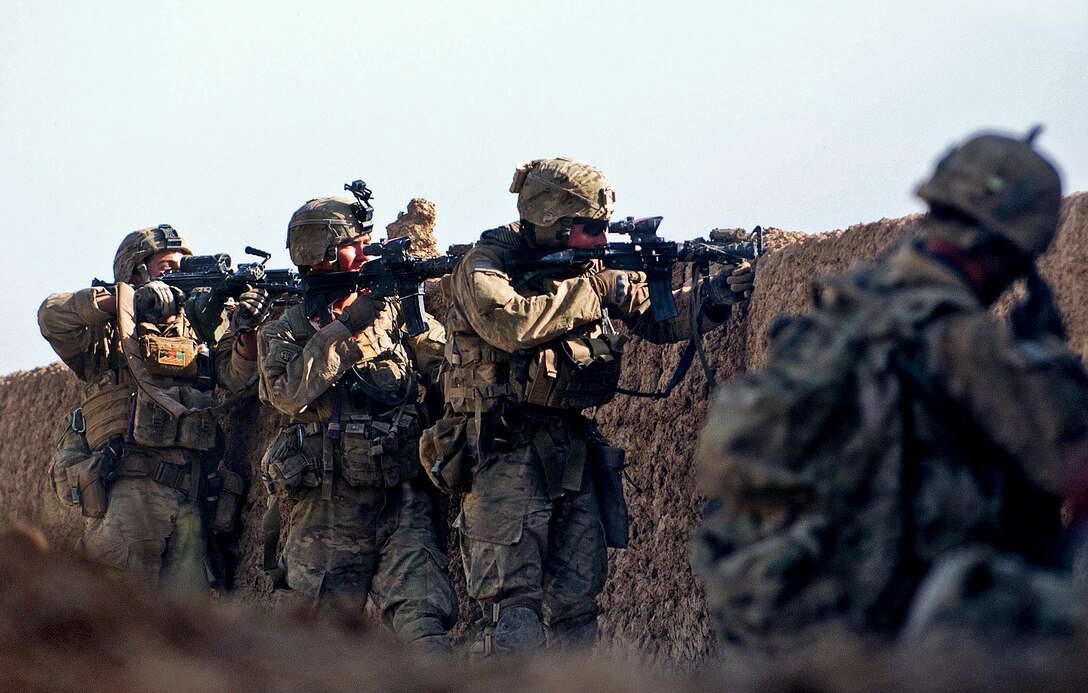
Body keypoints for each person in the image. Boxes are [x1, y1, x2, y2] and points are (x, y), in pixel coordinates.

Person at [693, 129, 1088, 650]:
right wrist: (1054, 367)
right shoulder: (954, 335)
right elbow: (1069, 466)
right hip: (884, 625)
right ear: (1009, 246)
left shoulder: (844, 309)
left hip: (777, 607)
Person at [428, 157, 754, 654]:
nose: (603, 242)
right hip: (502, 453)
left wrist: (712, 298)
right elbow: (512, 325)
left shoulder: (589, 269)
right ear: (552, 222)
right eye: (592, 229)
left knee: (577, 607)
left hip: (571, 452)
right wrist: (596, 289)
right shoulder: (484, 266)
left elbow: (658, 318)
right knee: (511, 614)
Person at [256, 193, 456, 652]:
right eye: (355, 244)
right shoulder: (286, 328)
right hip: (330, 507)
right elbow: (286, 393)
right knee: (318, 649)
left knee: (425, 628)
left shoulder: (391, 313)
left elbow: (442, 364)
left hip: (404, 503)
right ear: (320, 255)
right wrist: (345, 329)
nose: (366, 254)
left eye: (368, 243)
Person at [38, 224, 267, 593]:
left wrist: (246, 331)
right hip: (129, 494)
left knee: (184, 629)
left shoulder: (199, 331)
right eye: (167, 267)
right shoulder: (110, 332)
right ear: (135, 271)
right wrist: (129, 300)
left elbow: (237, 379)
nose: (178, 275)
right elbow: (51, 316)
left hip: (192, 499)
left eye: (184, 267)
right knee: (120, 614)